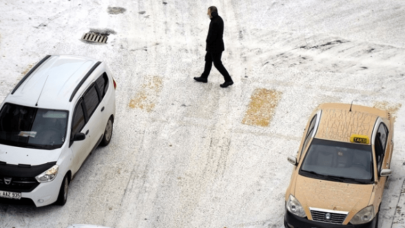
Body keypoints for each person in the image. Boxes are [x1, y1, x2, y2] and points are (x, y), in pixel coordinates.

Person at [194, 6, 234, 88]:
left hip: (215, 47)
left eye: (208, 11)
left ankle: (228, 79)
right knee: (208, 60)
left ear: (212, 12)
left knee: (217, 64)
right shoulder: (217, 19)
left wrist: (208, 42)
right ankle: (204, 77)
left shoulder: (215, 22)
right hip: (214, 46)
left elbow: (213, 36)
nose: (207, 13)